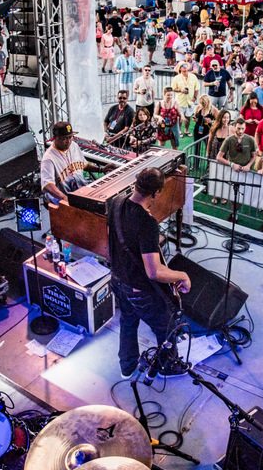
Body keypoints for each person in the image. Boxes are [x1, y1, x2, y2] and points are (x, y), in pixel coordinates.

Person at [107, 168, 191, 378]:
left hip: (117, 280)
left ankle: (127, 366)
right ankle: (167, 366)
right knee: (166, 326)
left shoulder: (117, 203)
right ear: (156, 193)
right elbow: (153, 272)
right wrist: (181, 275)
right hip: (138, 289)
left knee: (128, 320)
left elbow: (114, 243)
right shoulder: (147, 223)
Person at [41, 121, 88, 202]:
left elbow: (83, 164)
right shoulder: (48, 158)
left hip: (80, 189)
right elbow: (47, 185)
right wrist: (63, 198)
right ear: (55, 138)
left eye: (70, 137)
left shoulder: (74, 146)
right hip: (64, 194)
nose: (68, 141)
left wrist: (101, 169)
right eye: (64, 138)